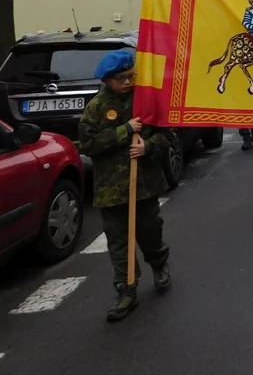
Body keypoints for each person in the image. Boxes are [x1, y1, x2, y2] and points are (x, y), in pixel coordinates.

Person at [79, 50, 171, 323]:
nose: (129, 81)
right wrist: (125, 131)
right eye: (122, 78)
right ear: (108, 80)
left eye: (132, 75)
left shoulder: (145, 101)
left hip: (143, 184)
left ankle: (159, 264)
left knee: (150, 231)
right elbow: (89, 144)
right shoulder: (96, 108)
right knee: (119, 242)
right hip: (111, 189)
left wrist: (148, 146)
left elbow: (165, 134)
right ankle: (126, 289)